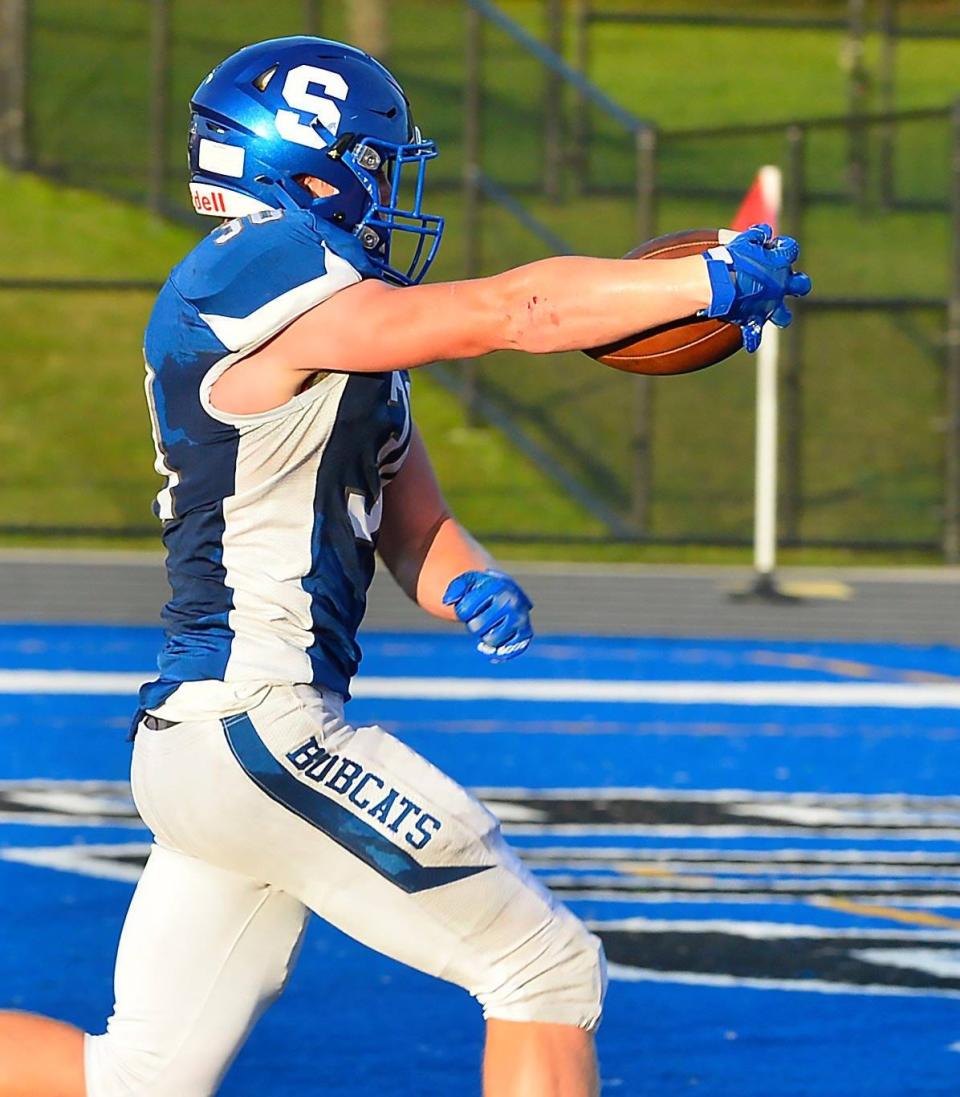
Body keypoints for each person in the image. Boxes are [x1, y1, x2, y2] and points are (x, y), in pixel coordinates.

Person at [0, 35, 810, 1097]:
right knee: (544, 969)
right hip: (261, 723)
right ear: (307, 162)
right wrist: (699, 277)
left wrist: (465, 580)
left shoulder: (333, 328)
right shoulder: (267, 265)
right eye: (371, 162)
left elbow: (410, 521)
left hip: (199, 742)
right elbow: (514, 312)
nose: (385, 190)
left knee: (139, 1076)